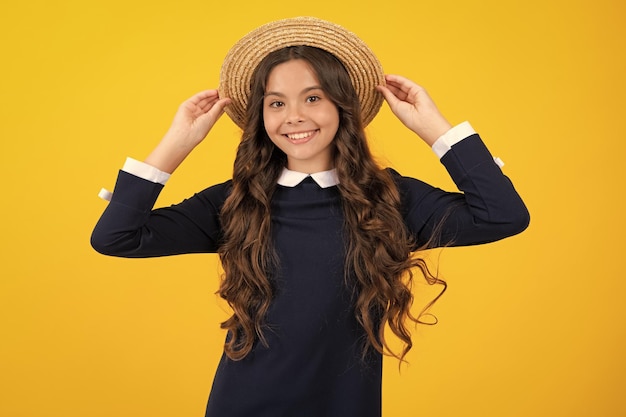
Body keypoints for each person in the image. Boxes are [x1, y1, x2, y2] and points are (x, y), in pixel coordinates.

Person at [91, 17, 529, 417]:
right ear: (261, 117)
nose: (294, 116)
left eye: (313, 98)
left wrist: (434, 128)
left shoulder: (391, 198)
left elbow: (503, 216)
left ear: (343, 107)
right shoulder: (234, 202)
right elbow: (115, 237)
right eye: (276, 103)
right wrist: (177, 142)